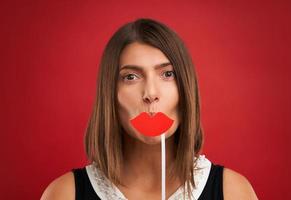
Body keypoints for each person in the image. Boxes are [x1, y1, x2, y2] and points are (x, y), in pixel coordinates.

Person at [41, 18, 258, 200]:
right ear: (110, 96)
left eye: (167, 74)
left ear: (185, 89)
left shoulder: (233, 191)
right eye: (131, 77)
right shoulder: (64, 194)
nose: (150, 93)